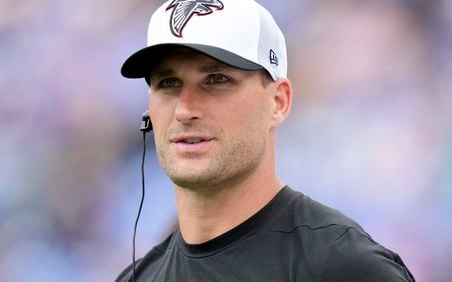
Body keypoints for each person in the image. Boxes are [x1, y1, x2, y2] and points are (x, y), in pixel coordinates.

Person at [117, 0, 415, 281]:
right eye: (168, 83)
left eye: (217, 79)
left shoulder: (343, 266)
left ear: (278, 102)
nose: (185, 109)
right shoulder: (139, 277)